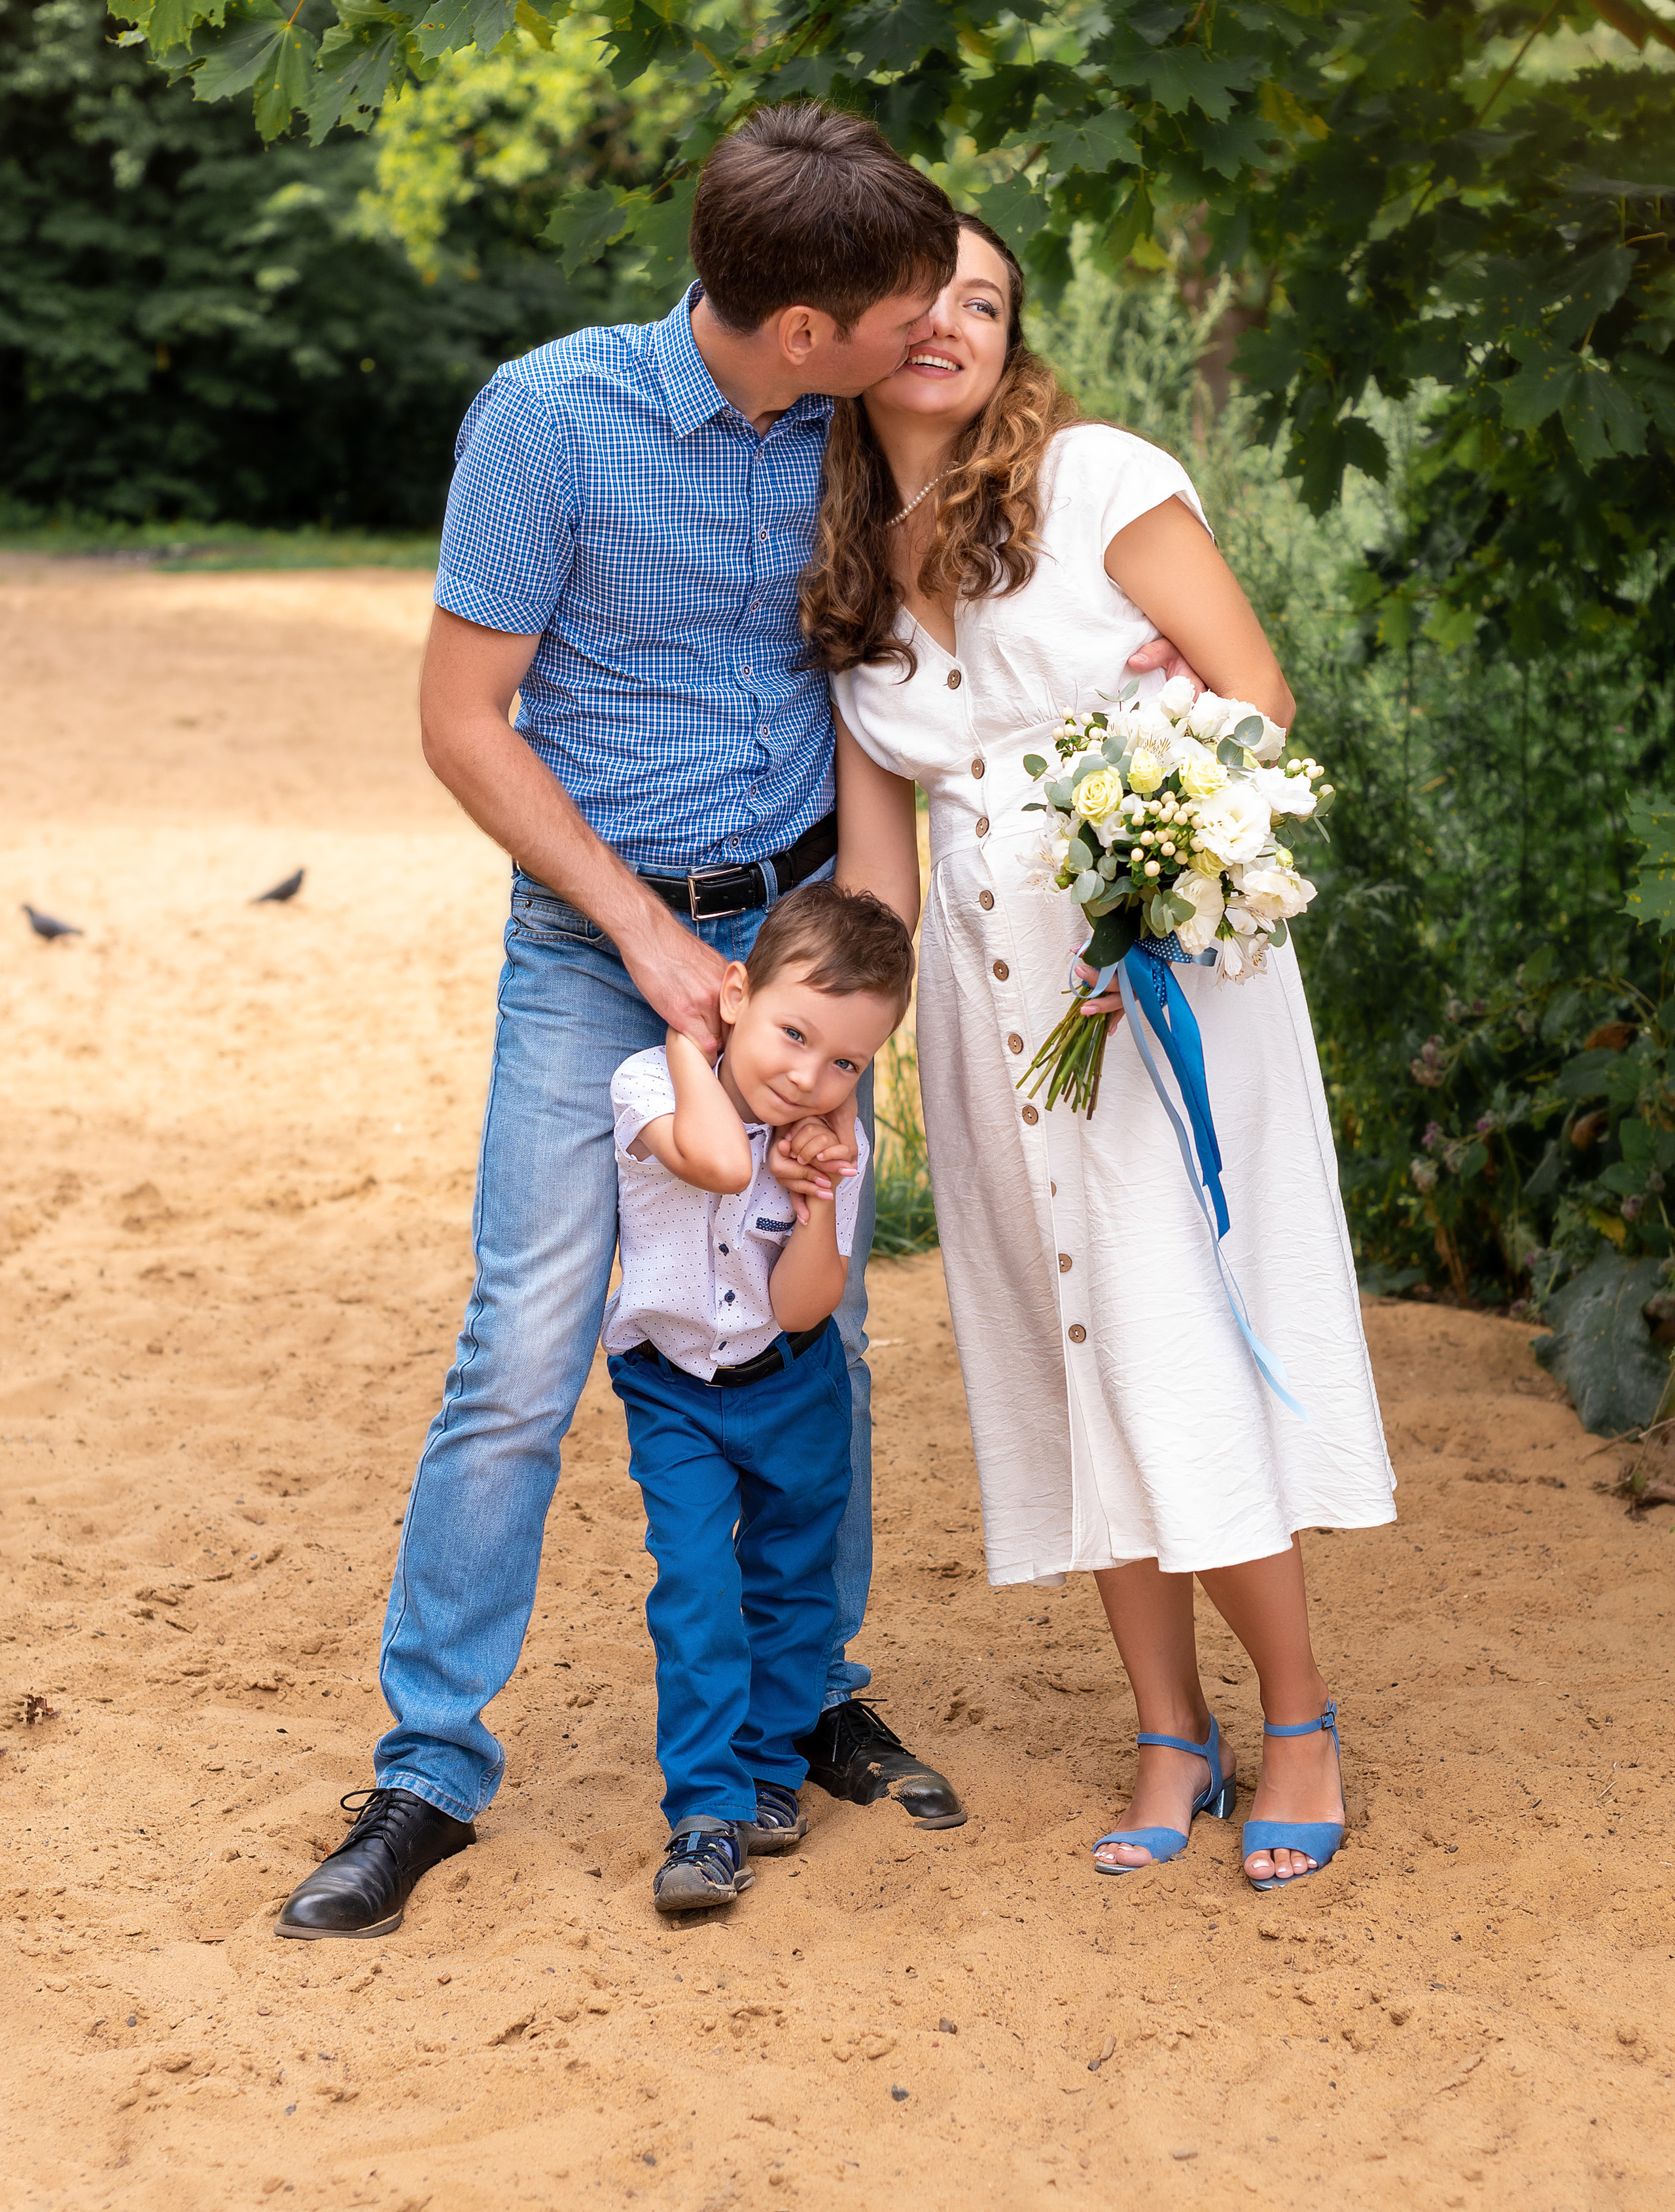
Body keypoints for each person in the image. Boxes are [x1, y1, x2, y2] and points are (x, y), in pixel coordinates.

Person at [276, 102, 974, 1945]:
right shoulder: (548, 420)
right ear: (797, 324)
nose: (928, 337)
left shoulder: (857, 429)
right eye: (896, 312)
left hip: (807, 943)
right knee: (524, 1342)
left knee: (821, 1327)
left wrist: (861, 991)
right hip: (599, 947)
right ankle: (429, 1765)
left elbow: (884, 690)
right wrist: (653, 943)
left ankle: (801, 1692)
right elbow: (464, 721)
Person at [811, 213, 1398, 1891]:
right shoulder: (845, 564)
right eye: (923, 297)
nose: (950, 324)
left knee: (1173, 1334)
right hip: (987, 1021)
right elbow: (878, 870)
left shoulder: (1091, 483)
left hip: (1156, 993)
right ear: (860, 329)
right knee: (1064, 1344)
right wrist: (829, 1075)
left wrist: (1141, 805)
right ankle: (1166, 1729)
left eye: (983, 302)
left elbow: (1254, 699)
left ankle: (1295, 1719)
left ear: (1011, 340)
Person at [606, 883, 917, 1913]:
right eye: (793, 1032)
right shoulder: (652, 1080)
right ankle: (704, 1810)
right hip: (677, 1391)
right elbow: (711, 1158)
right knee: (698, 1586)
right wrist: (692, 1043)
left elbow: (802, 1307)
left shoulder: (828, 1143)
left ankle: (771, 1777)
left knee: (792, 1582)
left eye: (847, 1063)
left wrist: (818, 1196)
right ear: (736, 993)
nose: (809, 1074)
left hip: (794, 1385)